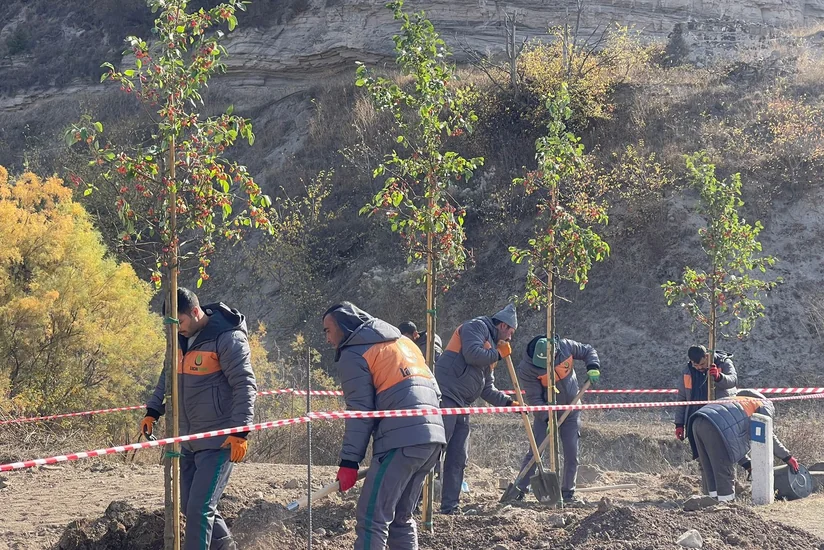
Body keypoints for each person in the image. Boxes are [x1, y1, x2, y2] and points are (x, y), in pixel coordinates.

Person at [140, 288, 257, 550]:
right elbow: (167, 376)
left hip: (219, 441)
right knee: (191, 507)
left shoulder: (227, 338)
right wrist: (153, 410)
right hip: (188, 440)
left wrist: (240, 432)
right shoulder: (179, 340)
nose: (176, 329)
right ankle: (226, 547)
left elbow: (245, 385)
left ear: (195, 312)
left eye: (179, 322)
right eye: (171, 325)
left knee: (199, 509)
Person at [322, 302, 445, 549]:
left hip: (402, 442)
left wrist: (349, 462)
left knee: (372, 519)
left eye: (327, 330)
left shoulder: (355, 351)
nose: (326, 338)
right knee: (401, 518)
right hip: (433, 439)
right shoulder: (405, 343)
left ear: (344, 327)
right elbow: (437, 394)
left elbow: (360, 412)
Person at [434, 304, 519, 515]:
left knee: (458, 457)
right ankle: (413, 503)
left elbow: (486, 388)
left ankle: (450, 507)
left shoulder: (491, 348)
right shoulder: (476, 327)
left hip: (463, 403)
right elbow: (472, 354)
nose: (510, 338)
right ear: (502, 325)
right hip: (446, 396)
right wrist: (498, 354)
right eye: (511, 332)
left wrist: (509, 403)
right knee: (433, 452)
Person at [515, 335, 600, 504]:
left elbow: (588, 350)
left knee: (571, 452)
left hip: (572, 407)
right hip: (546, 412)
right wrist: (548, 419)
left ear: (555, 353)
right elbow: (534, 399)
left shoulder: (565, 346)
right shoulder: (527, 368)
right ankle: (519, 489)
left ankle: (567, 492)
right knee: (536, 450)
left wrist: (592, 366)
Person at [687, 389, 799, 502]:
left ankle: (711, 502)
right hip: (716, 427)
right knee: (724, 469)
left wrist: (747, 464)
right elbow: (767, 434)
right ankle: (726, 506)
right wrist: (787, 457)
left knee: (709, 467)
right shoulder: (762, 405)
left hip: (697, 421)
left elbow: (733, 441)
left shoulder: (735, 402)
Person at [675, 345, 738, 443]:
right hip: (695, 421)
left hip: (720, 419)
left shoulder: (723, 363)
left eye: (702, 364)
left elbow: (733, 381)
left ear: (707, 356)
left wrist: (719, 377)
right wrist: (679, 424)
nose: (699, 367)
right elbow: (682, 399)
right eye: (695, 365)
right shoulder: (687, 371)